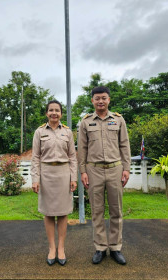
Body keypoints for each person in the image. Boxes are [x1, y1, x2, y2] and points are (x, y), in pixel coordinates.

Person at [78, 86, 131, 265]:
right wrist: (83, 172)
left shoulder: (118, 120)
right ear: (92, 101)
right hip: (94, 170)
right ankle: (100, 247)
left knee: (116, 210)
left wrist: (126, 168)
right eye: (97, 98)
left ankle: (116, 247)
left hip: (116, 168)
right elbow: (82, 149)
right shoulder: (85, 122)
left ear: (109, 100)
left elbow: (124, 145)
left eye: (104, 98)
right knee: (97, 211)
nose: (100, 101)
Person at [31, 100, 78, 266]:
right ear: (46, 113)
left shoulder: (67, 132)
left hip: (64, 173)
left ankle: (61, 248)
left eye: (57, 110)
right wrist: (35, 179)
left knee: (63, 212)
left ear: (61, 114)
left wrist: (74, 178)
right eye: (51, 110)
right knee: (48, 212)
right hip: (46, 174)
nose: (54, 113)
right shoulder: (39, 132)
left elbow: (72, 156)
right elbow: (35, 157)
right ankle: (51, 248)